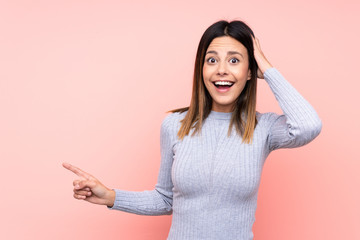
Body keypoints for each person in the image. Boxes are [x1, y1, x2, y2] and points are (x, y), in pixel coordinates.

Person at [63, 20, 322, 240]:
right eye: (212, 60)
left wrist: (267, 67)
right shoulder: (174, 125)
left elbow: (308, 125)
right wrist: (110, 196)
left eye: (234, 60)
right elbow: (165, 200)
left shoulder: (262, 128)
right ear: (201, 68)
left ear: (249, 71)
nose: (222, 69)